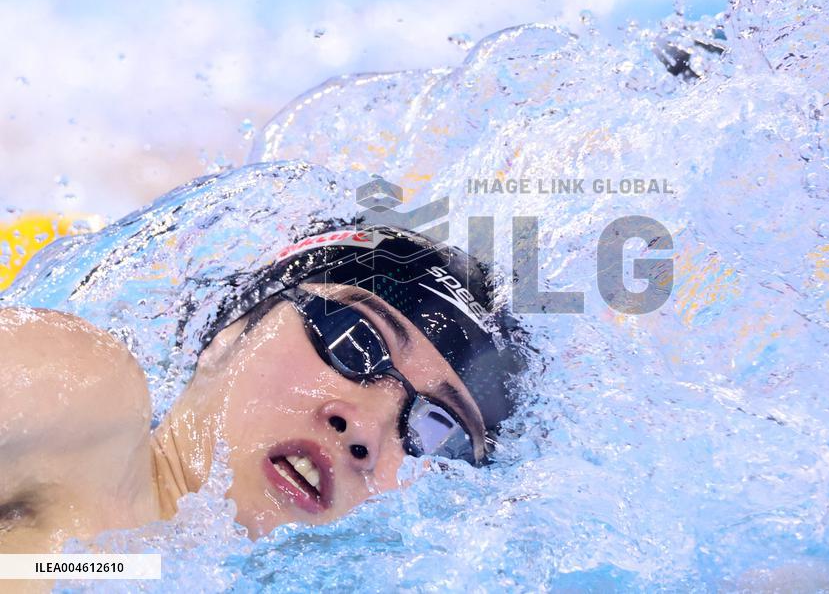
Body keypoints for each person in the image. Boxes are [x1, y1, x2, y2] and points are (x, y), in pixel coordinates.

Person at [0, 223, 528, 551]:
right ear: (229, 334)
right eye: (354, 343)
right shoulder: (81, 391)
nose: (365, 429)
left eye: (438, 429)